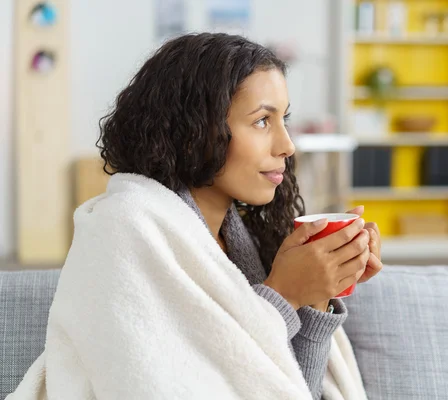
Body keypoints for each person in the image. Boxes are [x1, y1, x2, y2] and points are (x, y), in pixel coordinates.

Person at [9, 32, 383, 400]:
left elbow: (289, 387)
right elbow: (154, 383)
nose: (287, 145)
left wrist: (318, 293)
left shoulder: (241, 243)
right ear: (194, 130)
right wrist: (284, 294)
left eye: (284, 119)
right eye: (262, 121)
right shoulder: (125, 227)